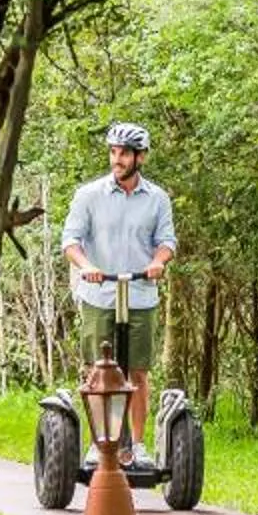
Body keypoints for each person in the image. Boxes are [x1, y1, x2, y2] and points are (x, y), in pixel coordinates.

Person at [60, 122, 176, 455]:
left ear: (141, 157)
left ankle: (137, 445)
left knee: (138, 372)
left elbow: (167, 241)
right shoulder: (89, 195)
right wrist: (87, 267)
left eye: (124, 153)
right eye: (113, 152)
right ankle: (101, 444)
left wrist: (159, 262)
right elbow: (71, 241)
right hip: (99, 295)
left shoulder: (157, 199)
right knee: (99, 370)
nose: (117, 159)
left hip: (140, 295)